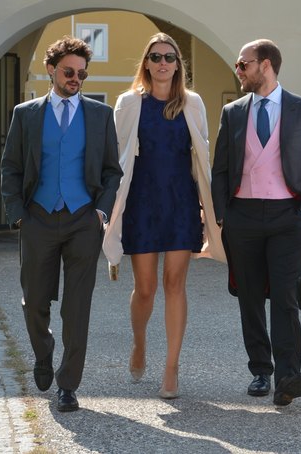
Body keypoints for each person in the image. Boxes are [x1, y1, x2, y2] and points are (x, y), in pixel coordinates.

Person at [0, 36, 122, 412]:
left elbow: (112, 172)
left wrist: (100, 213)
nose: (75, 79)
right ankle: (43, 352)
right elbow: (10, 167)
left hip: (83, 219)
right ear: (51, 70)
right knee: (34, 301)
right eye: (69, 72)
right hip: (37, 217)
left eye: (82, 74)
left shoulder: (100, 115)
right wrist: (18, 214)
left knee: (77, 306)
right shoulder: (26, 114)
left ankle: (68, 385)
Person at [102, 33, 225, 399]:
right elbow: (117, 156)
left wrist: (207, 206)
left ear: (177, 64)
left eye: (169, 57)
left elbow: (201, 156)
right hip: (141, 202)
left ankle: (171, 368)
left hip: (180, 201)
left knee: (175, 284)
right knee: (145, 288)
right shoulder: (129, 103)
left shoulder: (192, 103)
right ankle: (139, 342)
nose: (162, 63)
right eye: (155, 57)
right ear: (146, 62)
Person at [211, 39, 301, 406]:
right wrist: (222, 215)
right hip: (242, 216)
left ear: (265, 65)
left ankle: (288, 377)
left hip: (287, 217)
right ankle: (261, 370)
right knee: (249, 297)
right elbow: (220, 169)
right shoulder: (232, 112)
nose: (239, 71)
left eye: (243, 64)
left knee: (285, 296)